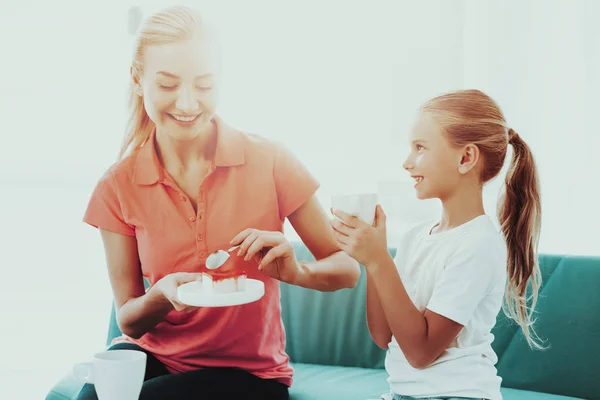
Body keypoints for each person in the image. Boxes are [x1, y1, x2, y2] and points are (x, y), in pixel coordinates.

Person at [78, 5, 360, 400]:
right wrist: (162, 295)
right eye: (168, 84)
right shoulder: (117, 184)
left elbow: (347, 270)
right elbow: (129, 319)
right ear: (138, 80)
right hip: (155, 355)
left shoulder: (271, 160)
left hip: (249, 375)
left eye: (205, 85)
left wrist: (295, 271)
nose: (188, 103)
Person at [331, 89, 543, 400]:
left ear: (465, 157)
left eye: (420, 148)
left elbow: (421, 353)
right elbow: (382, 335)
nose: (407, 162)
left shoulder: (478, 245)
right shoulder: (416, 238)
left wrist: (379, 261)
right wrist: (371, 257)